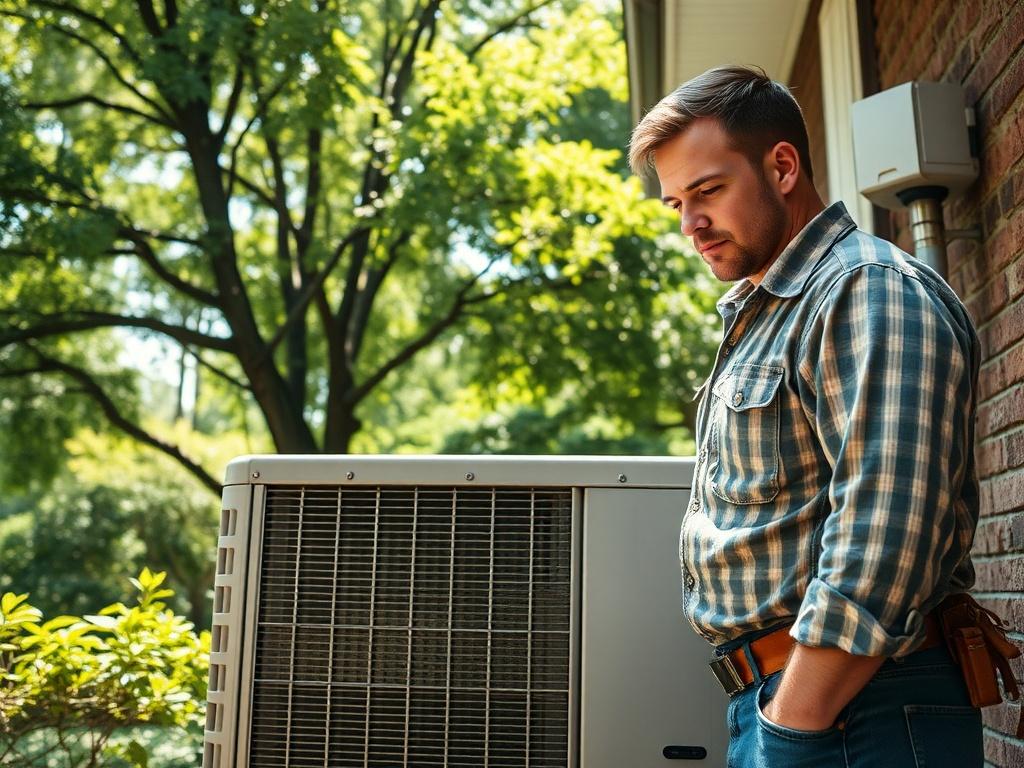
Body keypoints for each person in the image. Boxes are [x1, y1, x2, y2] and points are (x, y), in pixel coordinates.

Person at [629, 65, 984, 767]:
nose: (690, 224)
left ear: (782, 166)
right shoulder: (774, 312)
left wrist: (792, 727)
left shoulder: (865, 291)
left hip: (855, 712)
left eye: (707, 191)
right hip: (799, 706)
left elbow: (886, 539)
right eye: (675, 204)